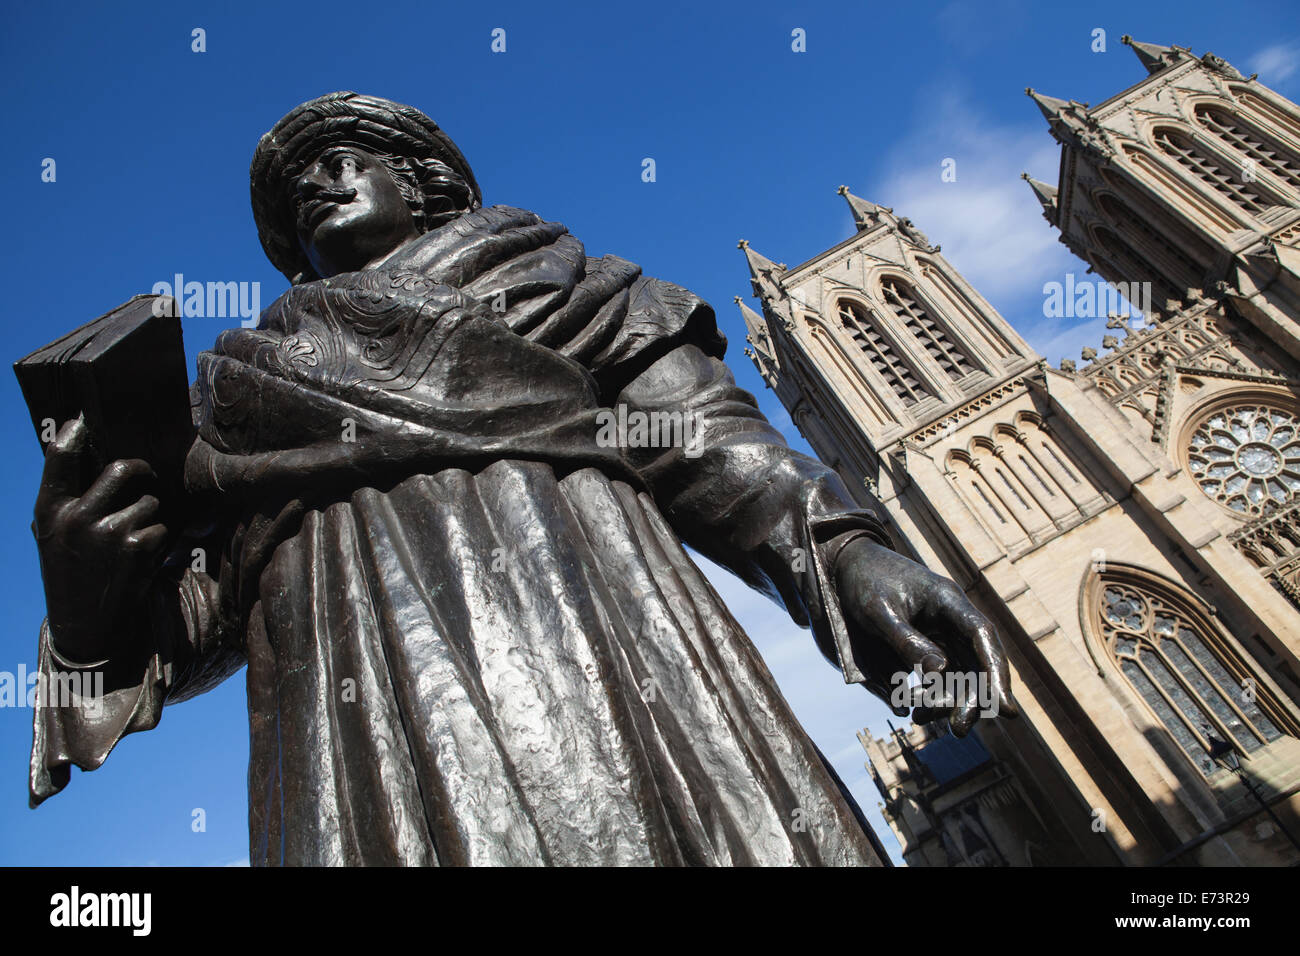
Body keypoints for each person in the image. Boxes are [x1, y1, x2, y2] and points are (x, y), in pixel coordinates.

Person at [29, 92, 1016, 866]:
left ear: (425, 186)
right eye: (297, 190)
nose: (316, 185)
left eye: (343, 161)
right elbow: (197, 622)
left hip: (606, 654)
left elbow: (706, 437)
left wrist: (840, 549)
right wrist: (87, 605)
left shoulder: (567, 285)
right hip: (361, 742)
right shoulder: (243, 386)